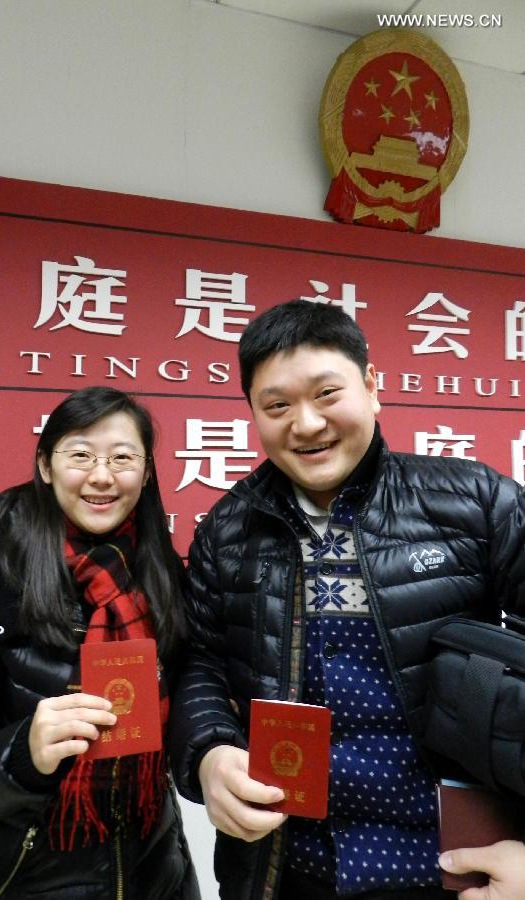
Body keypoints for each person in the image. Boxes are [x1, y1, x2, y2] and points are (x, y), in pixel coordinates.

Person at [169, 299, 525, 899]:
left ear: (371, 386)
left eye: (326, 393)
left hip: (462, 870)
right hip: (287, 866)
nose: (304, 424)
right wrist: (208, 752)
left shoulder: (479, 503)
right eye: (276, 405)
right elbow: (199, 660)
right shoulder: (227, 530)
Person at [0, 386, 200, 900]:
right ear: (45, 466)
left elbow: (187, 720)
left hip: (158, 873)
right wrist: (22, 753)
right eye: (81, 455)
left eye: (122, 457)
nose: (101, 475)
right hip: (28, 878)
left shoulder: (161, 577)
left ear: (148, 471)